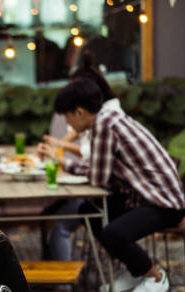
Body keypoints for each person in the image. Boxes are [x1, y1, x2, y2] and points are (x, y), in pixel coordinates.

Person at [42, 78, 185, 292]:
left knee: (112, 233)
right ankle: (134, 269)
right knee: (89, 210)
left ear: (79, 112)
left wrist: (63, 162)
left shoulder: (104, 125)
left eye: (67, 118)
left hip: (163, 203)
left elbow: (98, 178)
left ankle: (155, 277)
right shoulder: (108, 119)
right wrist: (63, 162)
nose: (67, 124)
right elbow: (102, 174)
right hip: (145, 196)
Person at [40, 51, 123, 265]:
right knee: (50, 212)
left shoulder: (107, 120)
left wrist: (61, 151)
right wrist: (58, 144)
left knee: (60, 222)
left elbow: (92, 160)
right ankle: (53, 272)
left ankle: (63, 286)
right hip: (102, 189)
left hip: (108, 195)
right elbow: (78, 135)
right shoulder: (102, 114)